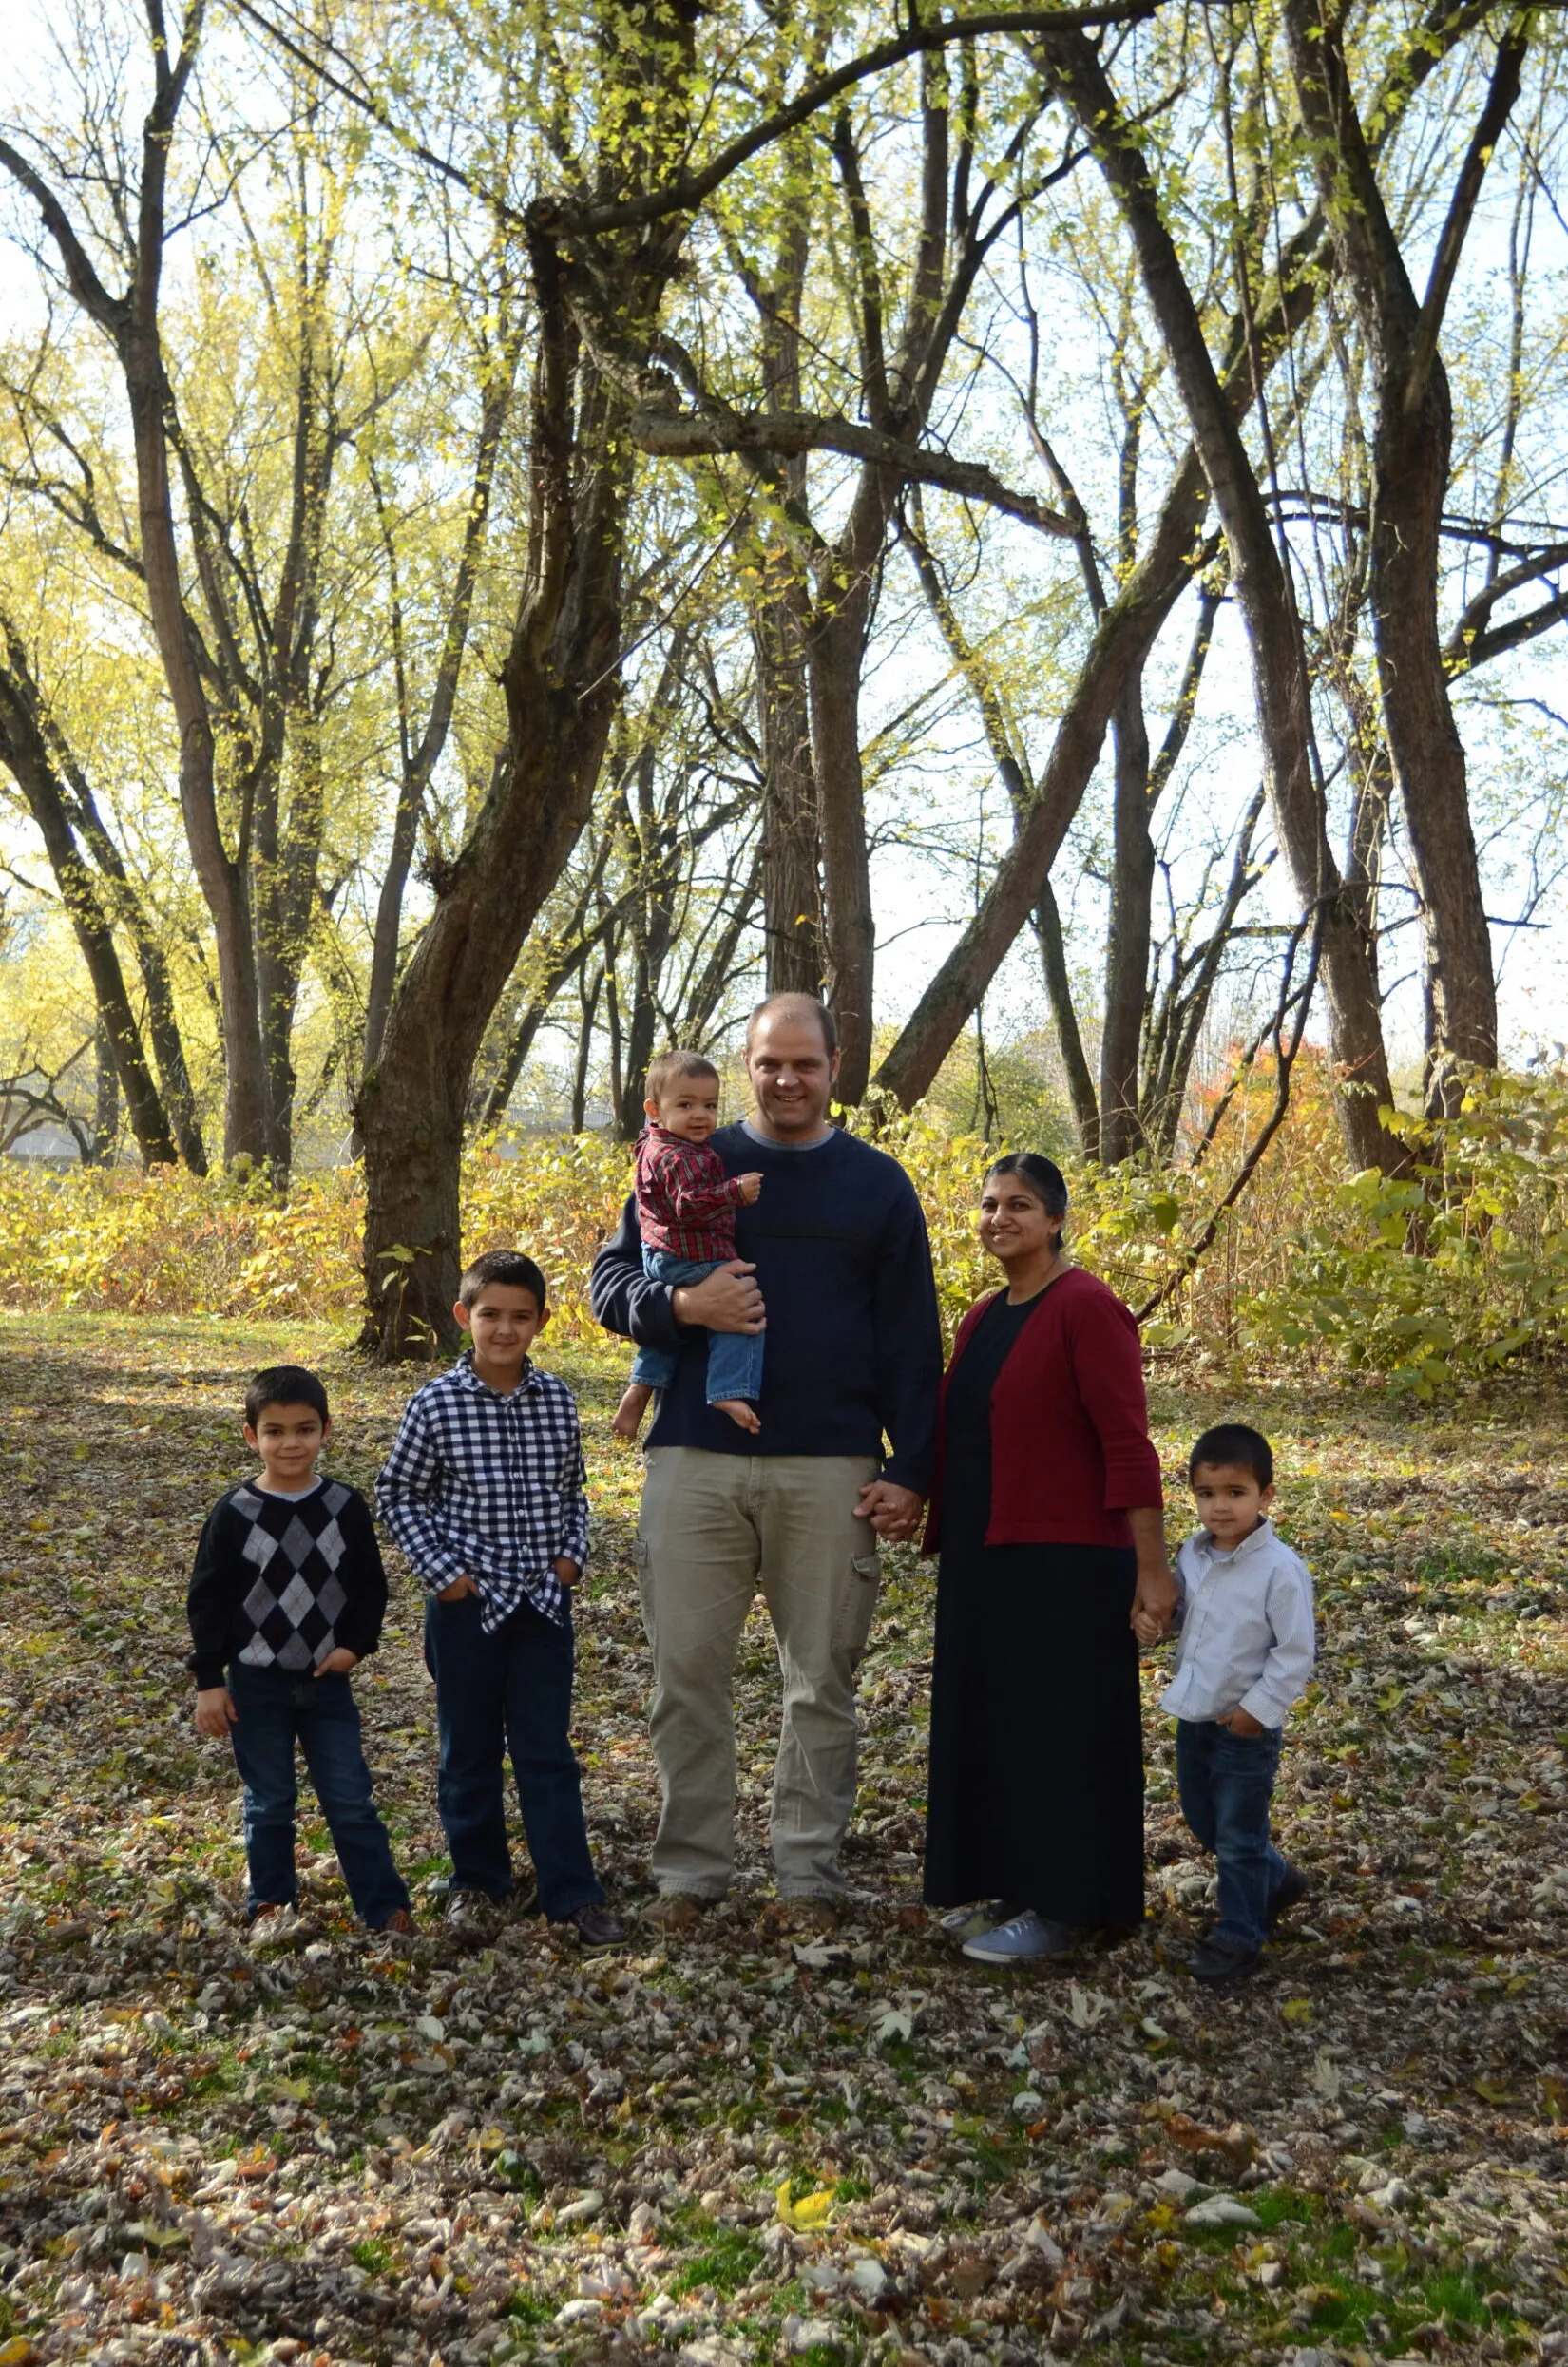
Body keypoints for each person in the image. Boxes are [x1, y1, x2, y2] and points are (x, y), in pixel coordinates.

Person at [590, 993, 943, 1934]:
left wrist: (911, 1466)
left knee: (821, 1680)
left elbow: (913, 1337)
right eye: (769, 1063)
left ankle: (807, 1872)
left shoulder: (877, 1185)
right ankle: (693, 1872)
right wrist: (684, 1312)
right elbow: (610, 1282)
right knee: (685, 1672)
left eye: (806, 1064)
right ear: (746, 1065)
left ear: (836, 1068)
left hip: (830, 1465)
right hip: (695, 1459)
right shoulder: (685, 1156)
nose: (787, 1080)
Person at [922, 1154, 1176, 1964]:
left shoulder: (1088, 1307)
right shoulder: (983, 1314)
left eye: (1021, 1205)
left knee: (1059, 1734)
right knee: (1000, 1727)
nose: (1000, 1218)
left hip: (1065, 1559)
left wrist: (1152, 1569)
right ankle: (1015, 1885)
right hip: (986, 1553)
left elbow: (1128, 1447)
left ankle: (1067, 1908)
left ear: (1057, 1218)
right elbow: (961, 1429)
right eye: (990, 1203)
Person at [377, 1248, 626, 1951]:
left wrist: (572, 1558)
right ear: (465, 1316)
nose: (506, 1330)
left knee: (547, 1749)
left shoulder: (558, 1401)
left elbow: (571, 1492)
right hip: (466, 1607)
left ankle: (570, 1892)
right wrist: (445, 1572)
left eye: (521, 1317)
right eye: (492, 1315)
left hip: (543, 1606)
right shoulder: (437, 1403)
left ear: (542, 1321)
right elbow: (399, 1493)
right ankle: (477, 1882)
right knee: (469, 1749)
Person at [188, 1365, 413, 1938]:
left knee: (350, 1798)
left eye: (305, 1429)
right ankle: (270, 1903)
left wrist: (354, 1648)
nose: (291, 1443)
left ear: (326, 1431)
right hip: (255, 1685)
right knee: (270, 1800)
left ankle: (385, 1908)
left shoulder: (343, 1506)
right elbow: (208, 1600)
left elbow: (369, 1586)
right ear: (251, 1436)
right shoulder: (234, 1513)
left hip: (325, 1681)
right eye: (276, 1431)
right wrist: (208, 1680)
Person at [1160, 1422, 1315, 1983]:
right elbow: (1185, 1617)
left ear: (1265, 1496)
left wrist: (1258, 1710)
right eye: (1206, 1494)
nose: (1219, 1508)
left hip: (1244, 1727)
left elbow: (1295, 1653)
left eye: (1234, 1493)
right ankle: (1279, 1880)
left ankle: (1239, 1938)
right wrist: (1155, 1617)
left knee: (1239, 1837)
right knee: (1206, 1823)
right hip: (1196, 1715)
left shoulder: (1280, 1571)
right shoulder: (1194, 1555)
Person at [613, 1049, 765, 1441]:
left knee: (670, 1330)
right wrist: (734, 1191)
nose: (700, 1115)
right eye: (685, 1104)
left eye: (709, 1105)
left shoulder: (652, 1144)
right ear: (654, 1109)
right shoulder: (681, 1156)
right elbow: (688, 1205)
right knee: (741, 1310)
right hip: (690, 1255)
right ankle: (728, 1391)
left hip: (661, 1255)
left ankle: (641, 1387)